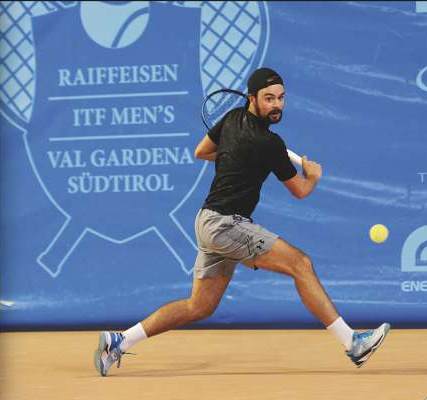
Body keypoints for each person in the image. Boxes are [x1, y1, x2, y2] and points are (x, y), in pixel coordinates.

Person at [93, 67, 390, 376]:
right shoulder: (270, 144)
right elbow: (301, 191)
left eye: (281, 98)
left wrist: (235, 155)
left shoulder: (232, 119)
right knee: (300, 264)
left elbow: (201, 151)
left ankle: (120, 341)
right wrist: (312, 176)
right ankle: (352, 342)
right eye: (269, 98)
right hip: (226, 224)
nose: (277, 105)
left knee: (200, 307)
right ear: (253, 98)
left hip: (207, 221)